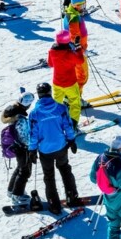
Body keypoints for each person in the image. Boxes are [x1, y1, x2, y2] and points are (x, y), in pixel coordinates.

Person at [28, 81, 79, 214]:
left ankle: (54, 204)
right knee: (65, 169)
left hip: (45, 150)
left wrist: (32, 150)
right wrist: (71, 140)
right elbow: (68, 126)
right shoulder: (61, 108)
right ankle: (72, 197)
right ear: (50, 92)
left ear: (38, 95)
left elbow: (33, 134)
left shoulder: (34, 114)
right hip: (61, 146)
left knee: (49, 176)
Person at [1, 90, 35, 207]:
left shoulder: (14, 112)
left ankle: (11, 190)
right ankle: (17, 194)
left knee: (20, 168)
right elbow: (24, 138)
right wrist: (33, 144)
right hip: (22, 148)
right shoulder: (20, 119)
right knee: (25, 172)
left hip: (17, 147)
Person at [48, 30, 85, 128]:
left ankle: (55, 125)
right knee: (75, 104)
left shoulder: (52, 51)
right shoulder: (69, 54)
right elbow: (80, 60)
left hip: (57, 83)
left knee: (56, 104)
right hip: (70, 83)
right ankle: (72, 126)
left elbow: (50, 64)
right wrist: (78, 48)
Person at [62, 0, 89, 94]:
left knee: (79, 75)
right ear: (75, 5)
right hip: (77, 51)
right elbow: (74, 37)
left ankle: (75, 96)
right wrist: (80, 50)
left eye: (83, 4)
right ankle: (76, 97)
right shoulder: (73, 17)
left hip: (77, 49)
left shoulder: (73, 13)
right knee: (82, 75)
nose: (83, 7)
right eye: (80, 5)